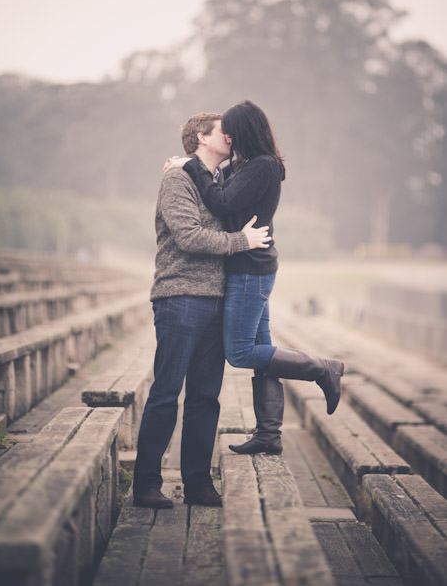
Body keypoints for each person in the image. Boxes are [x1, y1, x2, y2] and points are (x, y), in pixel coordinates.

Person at [172, 100, 345, 455]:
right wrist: (192, 166)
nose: (228, 136)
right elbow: (221, 188)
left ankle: (322, 369)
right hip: (248, 266)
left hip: (250, 269)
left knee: (240, 352)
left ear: (245, 131)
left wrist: (191, 167)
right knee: (264, 353)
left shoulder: (263, 167)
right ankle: (269, 434)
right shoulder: (246, 164)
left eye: (231, 130)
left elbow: (221, 202)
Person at [133, 113, 271, 509]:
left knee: (206, 398)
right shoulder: (176, 180)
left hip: (217, 301)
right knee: (166, 392)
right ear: (199, 137)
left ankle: (197, 484)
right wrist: (240, 241)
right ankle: (145, 485)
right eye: (221, 130)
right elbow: (189, 236)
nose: (230, 135)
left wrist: (187, 162)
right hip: (180, 297)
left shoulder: (219, 179)